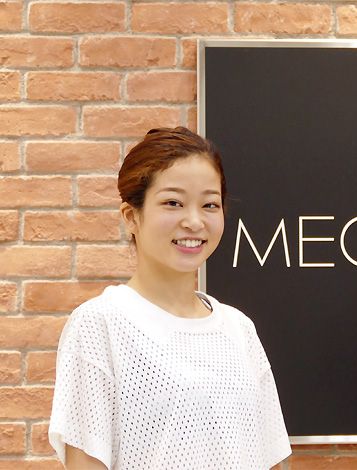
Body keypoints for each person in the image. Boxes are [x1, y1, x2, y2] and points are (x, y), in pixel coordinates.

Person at [49, 127, 292, 469]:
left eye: (209, 204)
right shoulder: (99, 324)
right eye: (173, 203)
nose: (194, 221)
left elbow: (273, 460)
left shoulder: (239, 328)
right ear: (131, 217)